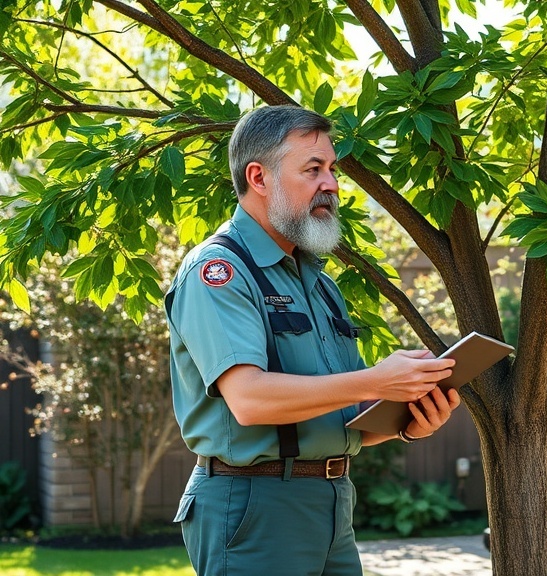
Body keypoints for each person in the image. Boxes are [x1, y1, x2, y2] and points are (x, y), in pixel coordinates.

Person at [165, 105, 461, 575]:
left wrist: (407, 421)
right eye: (313, 170)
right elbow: (250, 401)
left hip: (333, 503)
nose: (332, 184)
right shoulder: (217, 273)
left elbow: (342, 422)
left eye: (332, 169)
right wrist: (376, 381)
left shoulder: (319, 283)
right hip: (254, 508)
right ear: (259, 178)